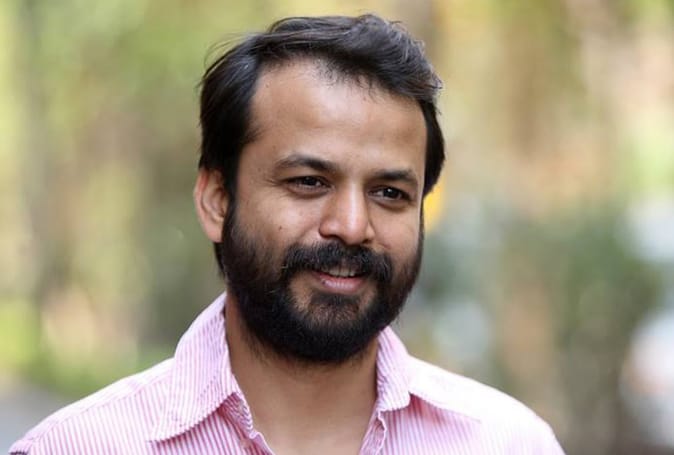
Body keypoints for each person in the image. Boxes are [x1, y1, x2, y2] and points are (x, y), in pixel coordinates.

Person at [10, 14, 565, 455]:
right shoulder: (81, 447)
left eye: (389, 193)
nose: (352, 226)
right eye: (308, 182)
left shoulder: (508, 444)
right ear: (217, 199)